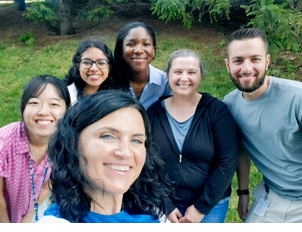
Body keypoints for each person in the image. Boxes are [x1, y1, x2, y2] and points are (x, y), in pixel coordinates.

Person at [37, 90, 173, 223]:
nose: (126, 152)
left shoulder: (155, 215)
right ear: (72, 143)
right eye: (107, 136)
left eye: (136, 140)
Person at [146, 50, 239, 223]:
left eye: (191, 72)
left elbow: (228, 161)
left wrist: (200, 208)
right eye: (178, 72)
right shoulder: (153, 113)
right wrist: (165, 204)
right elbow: (146, 161)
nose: (184, 78)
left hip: (211, 204)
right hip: (164, 202)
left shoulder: (216, 111)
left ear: (200, 76)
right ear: (168, 75)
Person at [223, 28, 302, 223]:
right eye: (238, 60)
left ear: (267, 61)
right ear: (228, 65)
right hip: (273, 195)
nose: (247, 68)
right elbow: (240, 147)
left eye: (255, 59)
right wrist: (243, 192)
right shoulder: (230, 104)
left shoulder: (297, 97)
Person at [0, 75, 70, 223]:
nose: (43, 111)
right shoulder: (4, 141)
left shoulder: (62, 144)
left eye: (54, 104)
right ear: (23, 109)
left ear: (67, 111)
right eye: (34, 102)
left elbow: (45, 186)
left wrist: (26, 220)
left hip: (28, 213)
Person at [114, 21, 172, 110]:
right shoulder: (110, 81)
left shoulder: (165, 83)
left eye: (146, 44)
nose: (139, 50)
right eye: (131, 44)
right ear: (121, 50)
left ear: (153, 50)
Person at [64, 39, 116, 105]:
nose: (94, 69)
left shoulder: (115, 97)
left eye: (101, 63)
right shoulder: (64, 95)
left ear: (109, 67)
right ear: (78, 66)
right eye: (87, 62)